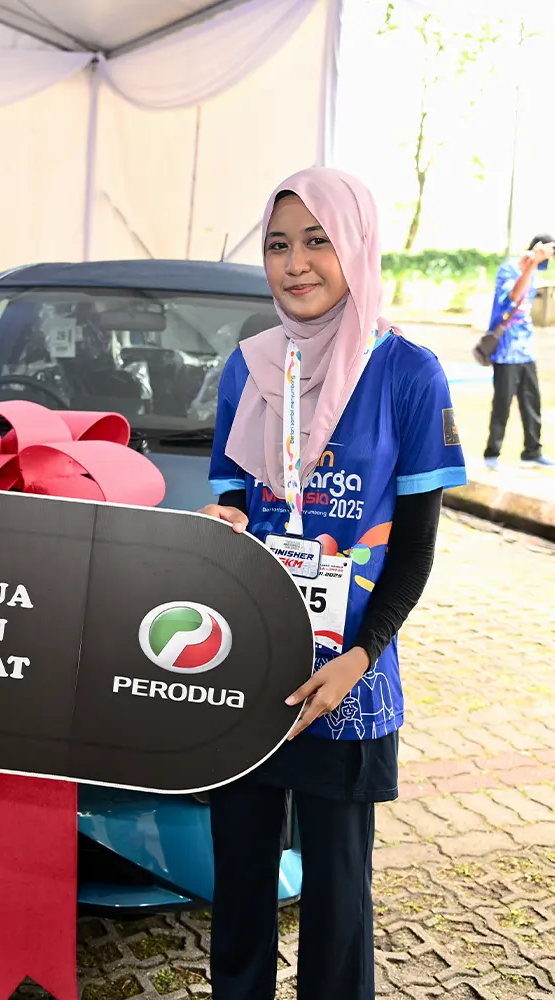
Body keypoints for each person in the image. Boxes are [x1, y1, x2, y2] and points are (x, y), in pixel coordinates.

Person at [197, 167, 466, 1000]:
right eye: (278, 245)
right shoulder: (250, 368)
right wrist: (222, 523)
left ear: (356, 246)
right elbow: (232, 502)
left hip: (346, 679)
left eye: (317, 241)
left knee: (339, 899)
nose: (295, 263)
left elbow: (414, 548)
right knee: (239, 889)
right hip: (247, 669)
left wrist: (359, 657)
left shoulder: (408, 374)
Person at [482, 234, 555, 470]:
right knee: (502, 403)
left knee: (532, 402)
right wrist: (530, 265)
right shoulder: (508, 270)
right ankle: (492, 453)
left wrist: (533, 267)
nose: (547, 260)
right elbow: (513, 297)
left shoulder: (534, 272)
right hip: (506, 349)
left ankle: (532, 452)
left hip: (526, 348)